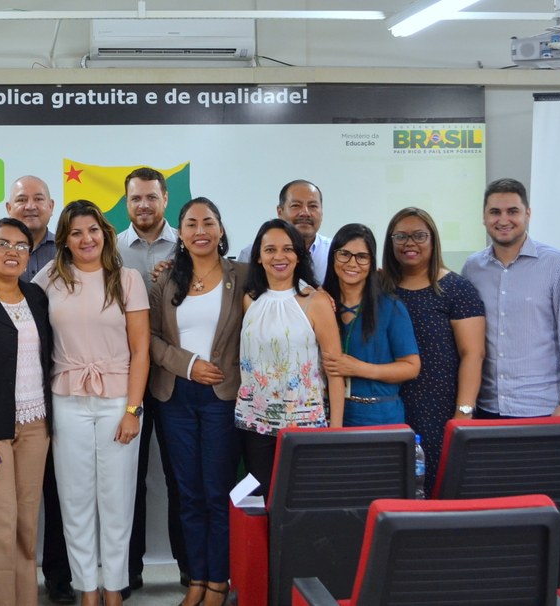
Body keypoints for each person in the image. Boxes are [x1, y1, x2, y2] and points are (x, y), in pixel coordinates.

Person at [34, 200, 150, 606]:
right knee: (75, 499)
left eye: (93, 230)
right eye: (76, 233)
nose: (87, 239)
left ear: (105, 233)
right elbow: (11, 303)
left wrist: (133, 410)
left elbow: (141, 350)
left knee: (117, 499)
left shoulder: (128, 279)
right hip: (67, 400)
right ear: (64, 240)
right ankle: (86, 589)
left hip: (119, 401)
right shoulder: (49, 278)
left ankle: (113, 589)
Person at [0, 175, 70, 604]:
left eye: (21, 246)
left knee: (26, 526)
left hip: (36, 425)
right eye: (2, 244)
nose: (13, 251)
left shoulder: (36, 297)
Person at [148, 198, 246, 606]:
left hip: (223, 396)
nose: (200, 230)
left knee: (216, 492)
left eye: (208, 222)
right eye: (191, 223)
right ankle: (196, 580)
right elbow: (150, 338)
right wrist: (188, 365)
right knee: (188, 494)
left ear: (221, 230)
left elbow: (282, 292)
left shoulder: (243, 275)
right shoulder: (166, 279)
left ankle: (218, 582)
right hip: (176, 397)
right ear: (181, 232)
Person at [461, 178, 560, 419]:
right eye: (495, 212)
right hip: (487, 408)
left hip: (543, 409)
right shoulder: (472, 268)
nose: (503, 220)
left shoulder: (557, 265)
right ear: (484, 217)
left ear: (527, 214)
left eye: (513, 211)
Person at [116, 166, 188, 593]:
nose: (143, 205)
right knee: (129, 478)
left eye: (151, 197)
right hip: (127, 380)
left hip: (178, 377)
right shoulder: (109, 248)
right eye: (136, 198)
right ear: (126, 203)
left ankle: (191, 568)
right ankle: (127, 571)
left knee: (182, 477)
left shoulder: (189, 244)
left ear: (165, 199)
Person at [381, 207, 486, 494]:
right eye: (401, 236)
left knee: (438, 490)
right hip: (390, 407)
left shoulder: (456, 289)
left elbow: (473, 354)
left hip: (440, 409)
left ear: (433, 240)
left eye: (419, 235)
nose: (410, 243)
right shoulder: (380, 287)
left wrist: (463, 413)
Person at [237, 219, 344, 489]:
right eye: (270, 250)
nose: (279, 257)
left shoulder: (316, 302)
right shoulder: (250, 299)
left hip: (304, 423)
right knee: (263, 500)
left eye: (287, 249)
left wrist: (336, 430)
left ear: (298, 255)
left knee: (300, 500)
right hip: (256, 423)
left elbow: (335, 369)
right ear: (258, 257)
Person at [321, 224, 420, 427]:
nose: (352, 263)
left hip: (380, 415)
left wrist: (360, 368)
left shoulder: (391, 307)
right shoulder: (321, 304)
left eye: (362, 257)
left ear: (372, 262)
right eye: (344, 254)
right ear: (333, 257)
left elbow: (411, 367)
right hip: (329, 414)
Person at [236, 180, 332, 284]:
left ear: (322, 212)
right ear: (280, 211)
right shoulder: (250, 254)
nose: (305, 213)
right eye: (296, 205)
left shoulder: (334, 251)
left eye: (313, 206)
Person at [0, 175, 58, 281]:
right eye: (22, 200)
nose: (30, 206)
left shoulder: (65, 250)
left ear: (51, 206)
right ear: (9, 208)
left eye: (38, 199)